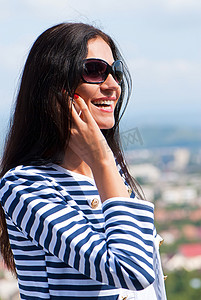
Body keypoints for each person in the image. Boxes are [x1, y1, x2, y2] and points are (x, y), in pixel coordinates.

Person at [0, 22, 167, 300]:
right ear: (55, 87)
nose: (113, 86)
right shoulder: (26, 185)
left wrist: (103, 165)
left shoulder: (111, 176)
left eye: (116, 72)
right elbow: (132, 271)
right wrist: (102, 159)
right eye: (95, 70)